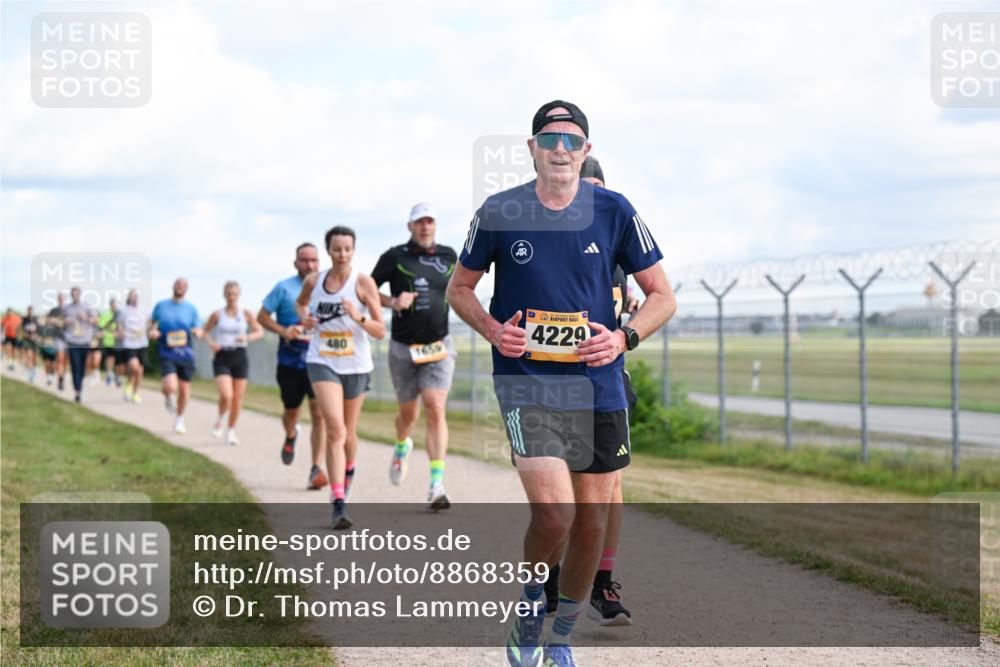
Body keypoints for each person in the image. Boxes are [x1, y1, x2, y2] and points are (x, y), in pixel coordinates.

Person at [447, 100, 676, 667]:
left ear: (586, 150)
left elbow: (662, 296)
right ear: (531, 148)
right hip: (527, 382)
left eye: (572, 140)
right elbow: (459, 288)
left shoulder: (615, 210)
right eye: (549, 139)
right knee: (556, 515)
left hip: (599, 385)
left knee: (592, 522)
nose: (560, 149)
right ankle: (531, 602)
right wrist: (494, 330)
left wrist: (623, 338)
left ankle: (561, 639)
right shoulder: (500, 211)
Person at [542, 156, 640, 627]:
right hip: (553, 388)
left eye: (600, 188)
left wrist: (628, 318)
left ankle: (602, 581)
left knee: (610, 486)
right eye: (587, 188)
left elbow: (651, 298)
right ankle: (548, 577)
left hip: (607, 383)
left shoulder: (620, 246)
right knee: (559, 496)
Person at [297, 226, 385, 530]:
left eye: (347, 249)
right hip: (322, 361)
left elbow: (379, 330)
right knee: (335, 429)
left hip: (356, 365)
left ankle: (349, 467)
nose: (342, 254)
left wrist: (357, 315)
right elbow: (301, 304)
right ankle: (338, 502)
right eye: (337, 249)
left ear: (353, 250)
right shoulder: (314, 281)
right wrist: (305, 319)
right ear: (328, 250)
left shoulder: (363, 282)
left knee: (348, 432)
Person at [371, 203, 459, 509]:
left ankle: (437, 485)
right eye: (419, 222)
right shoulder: (395, 256)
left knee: (435, 406)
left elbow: (463, 287)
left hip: (438, 345)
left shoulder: (449, 256)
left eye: (429, 222)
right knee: (408, 415)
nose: (425, 227)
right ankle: (401, 445)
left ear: (435, 225)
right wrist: (392, 301)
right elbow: (366, 289)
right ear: (410, 226)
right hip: (403, 348)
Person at [259, 243, 329, 490]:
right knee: (291, 412)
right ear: (296, 263)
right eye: (304, 260)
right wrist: (283, 330)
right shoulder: (283, 288)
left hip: (319, 360)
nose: (309, 265)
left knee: (319, 413)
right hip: (290, 361)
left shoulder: (327, 286)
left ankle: (316, 467)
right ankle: (291, 434)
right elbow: (262, 317)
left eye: (313, 260)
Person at [204, 280, 264, 445]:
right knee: (226, 395)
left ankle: (231, 431)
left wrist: (247, 337)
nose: (232, 297)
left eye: (234, 294)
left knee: (237, 398)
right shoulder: (217, 315)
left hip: (240, 356)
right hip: (222, 356)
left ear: (239, 295)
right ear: (224, 295)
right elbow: (205, 332)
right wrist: (211, 343)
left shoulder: (245, 314)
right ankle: (220, 420)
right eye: (229, 294)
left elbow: (259, 331)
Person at [150, 278, 202, 433]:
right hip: (166, 351)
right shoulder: (161, 305)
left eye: (183, 285)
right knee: (170, 386)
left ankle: (179, 419)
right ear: (173, 286)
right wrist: (153, 331)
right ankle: (168, 395)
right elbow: (153, 324)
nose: (180, 287)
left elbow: (198, 328)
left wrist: (197, 332)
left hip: (185, 353)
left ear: (186, 289)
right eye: (178, 284)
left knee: (184, 390)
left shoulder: (191, 309)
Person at [63, 287, 99, 403]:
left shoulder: (87, 306)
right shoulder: (67, 308)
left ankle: (80, 386)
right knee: (75, 365)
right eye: (73, 294)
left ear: (80, 295)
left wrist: (86, 318)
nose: (75, 296)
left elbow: (96, 320)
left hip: (84, 340)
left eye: (77, 294)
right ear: (71, 295)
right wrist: (66, 321)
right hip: (72, 340)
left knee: (83, 366)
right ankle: (78, 391)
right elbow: (61, 322)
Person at [119, 289, 148, 404]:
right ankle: (129, 383)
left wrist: (151, 330)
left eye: (136, 296)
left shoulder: (144, 310)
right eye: (132, 296)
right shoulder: (124, 311)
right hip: (129, 343)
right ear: (129, 298)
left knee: (139, 371)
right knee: (134, 366)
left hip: (142, 343)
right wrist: (121, 332)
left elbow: (150, 323)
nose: (134, 298)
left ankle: (135, 393)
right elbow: (120, 324)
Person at [97, 298, 122, 387]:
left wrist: (119, 332)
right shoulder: (106, 314)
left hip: (118, 340)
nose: (114, 307)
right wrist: (108, 328)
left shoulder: (120, 314)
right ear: (110, 305)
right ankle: (109, 374)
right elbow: (101, 325)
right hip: (108, 339)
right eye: (113, 305)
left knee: (118, 360)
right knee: (110, 358)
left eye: (115, 305)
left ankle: (117, 376)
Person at [47, 293, 69, 391]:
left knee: (65, 361)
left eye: (62, 298)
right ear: (58, 299)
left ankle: (62, 377)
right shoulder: (54, 310)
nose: (61, 300)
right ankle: (60, 380)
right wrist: (55, 321)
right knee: (60, 358)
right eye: (60, 298)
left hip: (68, 338)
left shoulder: (68, 310)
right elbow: (48, 320)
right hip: (58, 337)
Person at [19, 306, 39, 382]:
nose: (30, 312)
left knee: (34, 358)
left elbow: (39, 330)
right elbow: (21, 330)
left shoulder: (36, 319)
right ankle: (31, 374)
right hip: (27, 341)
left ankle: (33, 370)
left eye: (31, 311)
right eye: (29, 311)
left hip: (34, 341)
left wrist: (35, 335)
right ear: (27, 311)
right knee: (29, 356)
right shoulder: (24, 319)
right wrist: (26, 335)